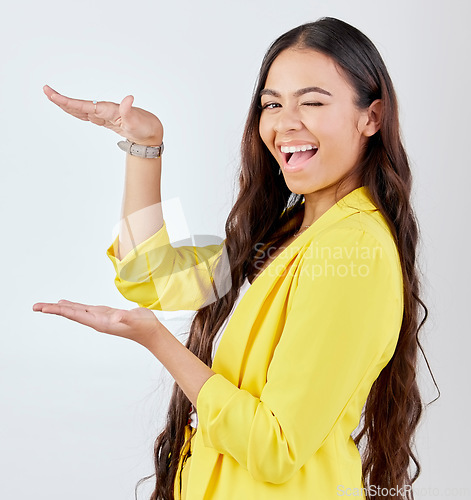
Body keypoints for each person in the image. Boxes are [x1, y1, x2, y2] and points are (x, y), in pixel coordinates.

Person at [32, 16, 433, 500]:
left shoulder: (353, 249)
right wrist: (144, 148)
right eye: (272, 104)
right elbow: (151, 276)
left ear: (371, 117)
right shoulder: (291, 232)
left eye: (312, 102)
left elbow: (275, 446)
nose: (286, 123)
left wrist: (158, 341)